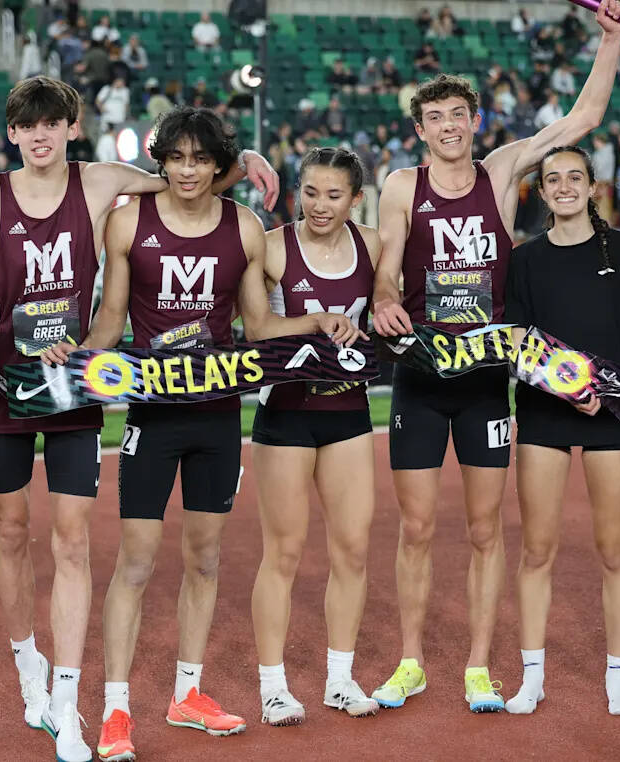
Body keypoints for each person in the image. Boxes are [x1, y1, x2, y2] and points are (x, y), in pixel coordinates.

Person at [0, 79, 277, 762]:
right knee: (9, 531)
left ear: (72, 127)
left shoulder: (99, 185)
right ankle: (26, 660)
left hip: (77, 385)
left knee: (69, 542)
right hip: (7, 382)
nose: (39, 136)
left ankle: (68, 703)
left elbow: (187, 177)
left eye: (52, 124)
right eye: (26, 126)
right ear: (11, 133)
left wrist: (252, 162)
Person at [51, 106, 355, 762]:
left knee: (206, 558)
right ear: (161, 159)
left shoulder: (245, 228)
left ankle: (188, 694)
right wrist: (75, 355)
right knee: (135, 560)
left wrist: (316, 319)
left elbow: (257, 327)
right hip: (153, 416)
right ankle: (115, 709)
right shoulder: (130, 221)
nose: (186, 171)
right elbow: (110, 321)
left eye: (199, 159)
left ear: (220, 166)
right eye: (175, 158)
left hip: (219, 416)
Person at [369, 0, 620, 714]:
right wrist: (387, 297)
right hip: (421, 377)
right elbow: (386, 268)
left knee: (487, 530)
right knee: (416, 527)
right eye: (437, 118)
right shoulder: (400, 186)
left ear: (475, 121)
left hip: (487, 380)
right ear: (419, 130)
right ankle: (411, 661)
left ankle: (479, 666)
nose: (450, 127)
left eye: (460, 115)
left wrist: (609, 42)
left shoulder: (502, 169)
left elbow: (579, 123)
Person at [502, 145, 620, 717]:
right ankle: (531, 677)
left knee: (614, 549)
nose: (563, 187)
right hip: (544, 414)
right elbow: (515, 342)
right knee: (537, 549)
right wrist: (568, 387)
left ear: (592, 187)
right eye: (552, 179)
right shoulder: (525, 259)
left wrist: (603, 390)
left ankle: (618, 679)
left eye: (574, 178)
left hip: (609, 415)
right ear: (542, 190)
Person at [250, 147, 383, 726]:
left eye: (334, 195)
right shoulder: (274, 246)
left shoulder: (373, 246)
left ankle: (339, 677)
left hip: (349, 413)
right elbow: (255, 328)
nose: (320, 205)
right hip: (285, 414)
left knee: (352, 549)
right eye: (310, 192)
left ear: (356, 199)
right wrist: (317, 320)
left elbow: (389, 304)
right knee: (282, 552)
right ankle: (273, 686)